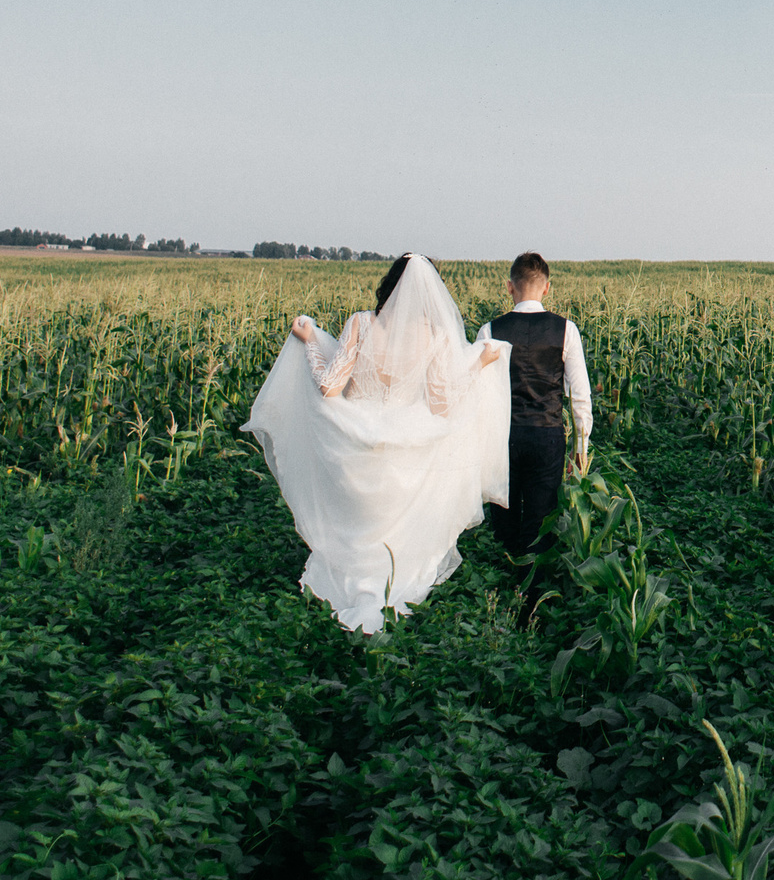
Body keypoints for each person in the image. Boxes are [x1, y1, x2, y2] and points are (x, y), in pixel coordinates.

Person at [242, 253, 511, 633]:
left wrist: (310, 343)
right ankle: (385, 590)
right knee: (391, 526)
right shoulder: (434, 336)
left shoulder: (363, 324)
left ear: (389, 284)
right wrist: (479, 364)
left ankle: (356, 588)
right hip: (405, 443)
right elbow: (441, 403)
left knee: (357, 522)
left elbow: (329, 386)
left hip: (357, 438)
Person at [471, 251, 592, 564]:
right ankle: (532, 591)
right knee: (540, 519)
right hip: (547, 434)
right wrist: (581, 449)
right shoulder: (566, 330)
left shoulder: (489, 330)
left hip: (503, 437)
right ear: (547, 288)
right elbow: (580, 396)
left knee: (504, 513)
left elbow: (475, 392)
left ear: (509, 287)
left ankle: (504, 582)